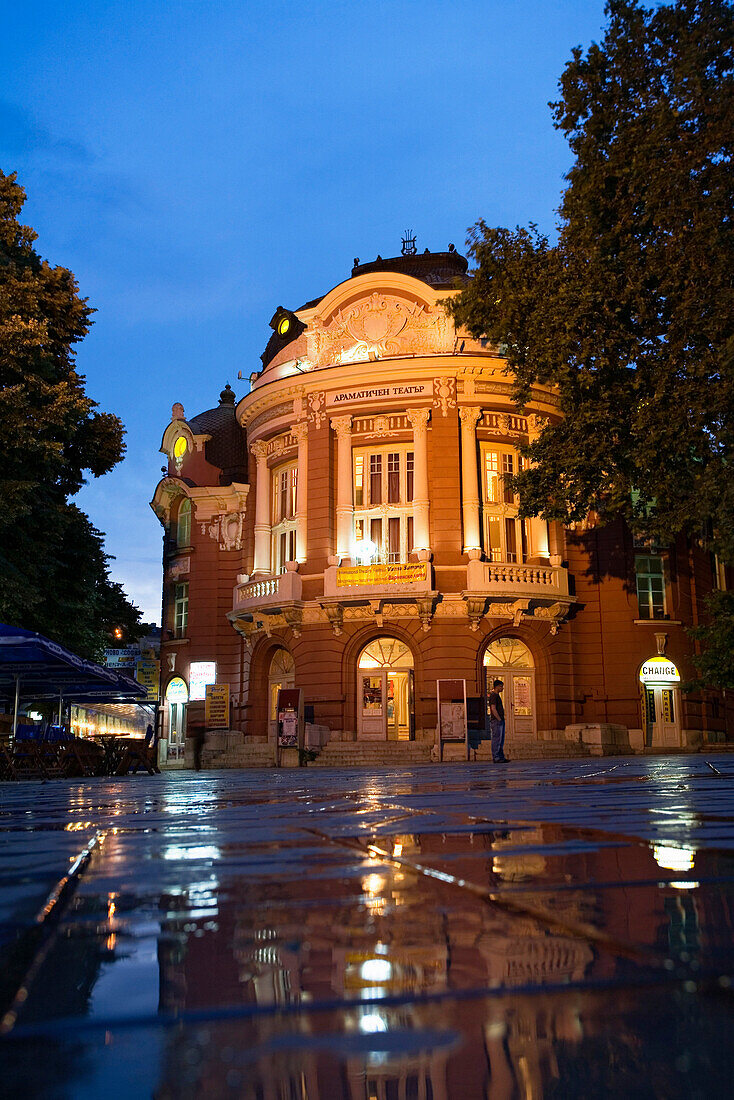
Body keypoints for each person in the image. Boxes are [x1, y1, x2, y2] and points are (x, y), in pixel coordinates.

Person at [488, 679, 508, 763]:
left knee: (501, 739)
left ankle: (501, 756)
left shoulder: (497, 695)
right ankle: (496, 757)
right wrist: (499, 719)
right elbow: (493, 708)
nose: (502, 688)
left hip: (499, 720)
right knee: (497, 739)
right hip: (496, 721)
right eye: (501, 686)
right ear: (496, 687)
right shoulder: (493, 696)